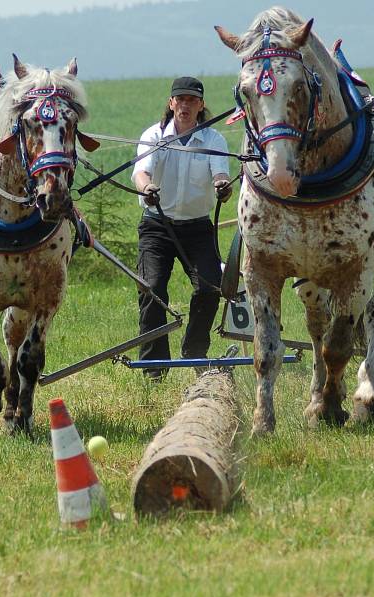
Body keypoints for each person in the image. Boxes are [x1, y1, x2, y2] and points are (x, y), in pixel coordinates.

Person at [132, 76, 233, 381]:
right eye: (181, 99)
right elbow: (141, 173)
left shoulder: (214, 140)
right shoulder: (153, 135)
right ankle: (154, 367)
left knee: (210, 286)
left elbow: (220, 175)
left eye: (193, 100)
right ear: (171, 103)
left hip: (198, 228)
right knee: (152, 288)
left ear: (201, 106)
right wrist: (147, 186)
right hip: (156, 226)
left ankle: (195, 351)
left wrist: (222, 187)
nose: (186, 105)